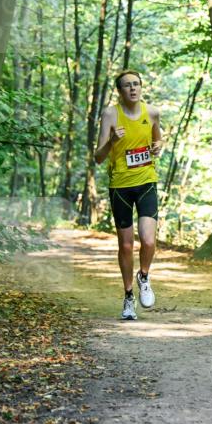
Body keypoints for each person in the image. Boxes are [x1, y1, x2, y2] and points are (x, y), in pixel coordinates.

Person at [93, 70, 162, 321]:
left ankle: (144, 276)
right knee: (125, 245)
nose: (133, 88)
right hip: (120, 185)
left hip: (146, 182)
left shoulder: (152, 112)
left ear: (141, 88)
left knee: (149, 240)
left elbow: (158, 141)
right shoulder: (111, 114)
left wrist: (158, 147)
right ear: (120, 91)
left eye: (136, 84)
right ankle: (128, 296)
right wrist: (111, 140)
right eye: (127, 86)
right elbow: (98, 158)